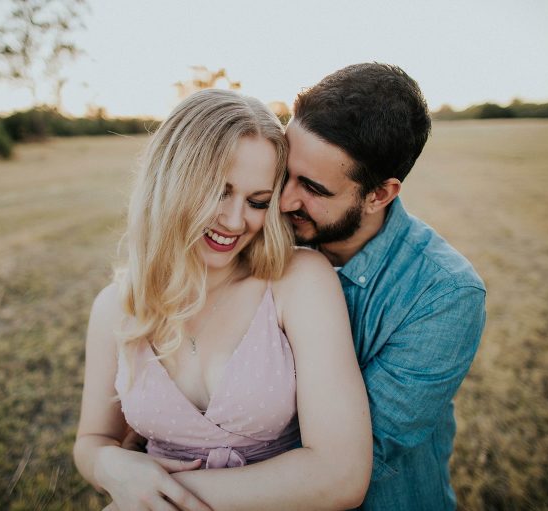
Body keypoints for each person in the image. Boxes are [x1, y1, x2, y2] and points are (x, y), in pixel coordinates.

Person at [73, 88, 372, 510]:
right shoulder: (115, 307)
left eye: (257, 202)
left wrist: (158, 500)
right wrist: (109, 465)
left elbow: (341, 476)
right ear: (171, 182)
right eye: (218, 190)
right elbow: (91, 442)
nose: (234, 222)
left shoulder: (298, 281)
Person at [279, 63, 487, 509]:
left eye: (312, 188)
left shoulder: (444, 294)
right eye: (284, 172)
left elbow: (353, 454)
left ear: (379, 195)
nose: (283, 200)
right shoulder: (264, 234)